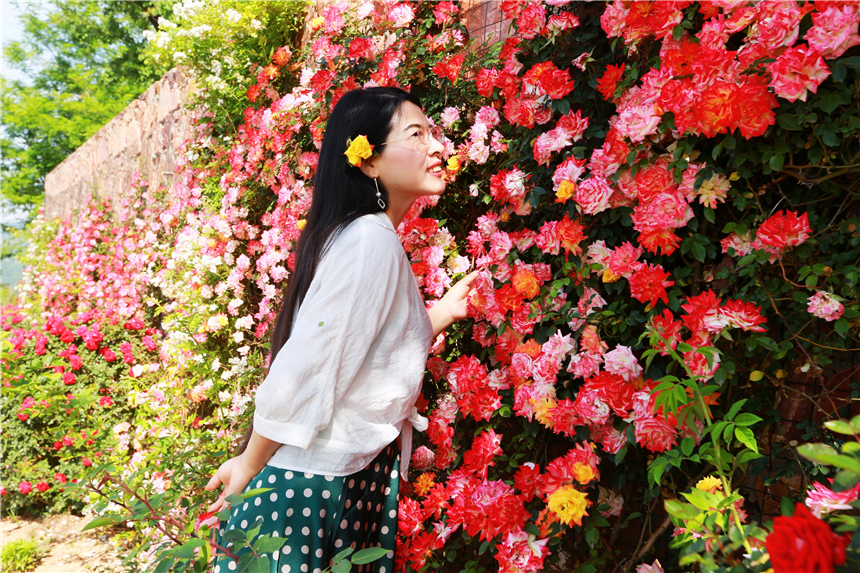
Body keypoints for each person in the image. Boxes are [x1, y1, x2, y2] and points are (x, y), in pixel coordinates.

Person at [205, 87, 477, 573]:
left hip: (335, 480)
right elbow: (310, 364)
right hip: (309, 492)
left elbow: (370, 351)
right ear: (368, 161)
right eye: (417, 134)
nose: (438, 146)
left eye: (433, 132)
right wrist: (248, 465)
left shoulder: (366, 236)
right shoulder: (369, 239)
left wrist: (438, 315)